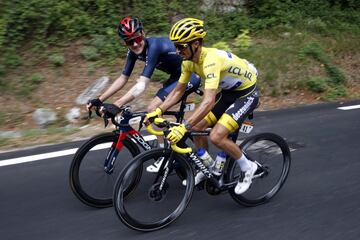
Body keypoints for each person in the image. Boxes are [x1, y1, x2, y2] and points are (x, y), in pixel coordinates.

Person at [145, 18, 260, 195]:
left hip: (246, 94)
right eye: (175, 46)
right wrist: (157, 110)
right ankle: (207, 168)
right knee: (197, 128)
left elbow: (207, 102)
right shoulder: (188, 62)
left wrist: (184, 127)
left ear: (196, 44)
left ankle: (248, 167)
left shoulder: (211, 61)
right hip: (229, 93)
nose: (177, 51)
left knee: (216, 136)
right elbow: (177, 91)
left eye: (181, 46)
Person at [87, 16, 200, 172]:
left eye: (137, 38)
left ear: (143, 33)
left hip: (191, 75)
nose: (134, 44)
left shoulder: (154, 47)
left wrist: (116, 104)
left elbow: (141, 86)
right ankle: (167, 150)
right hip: (176, 77)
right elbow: (123, 78)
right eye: (129, 41)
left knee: (152, 109)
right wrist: (99, 99)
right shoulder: (133, 51)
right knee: (153, 112)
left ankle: (162, 155)